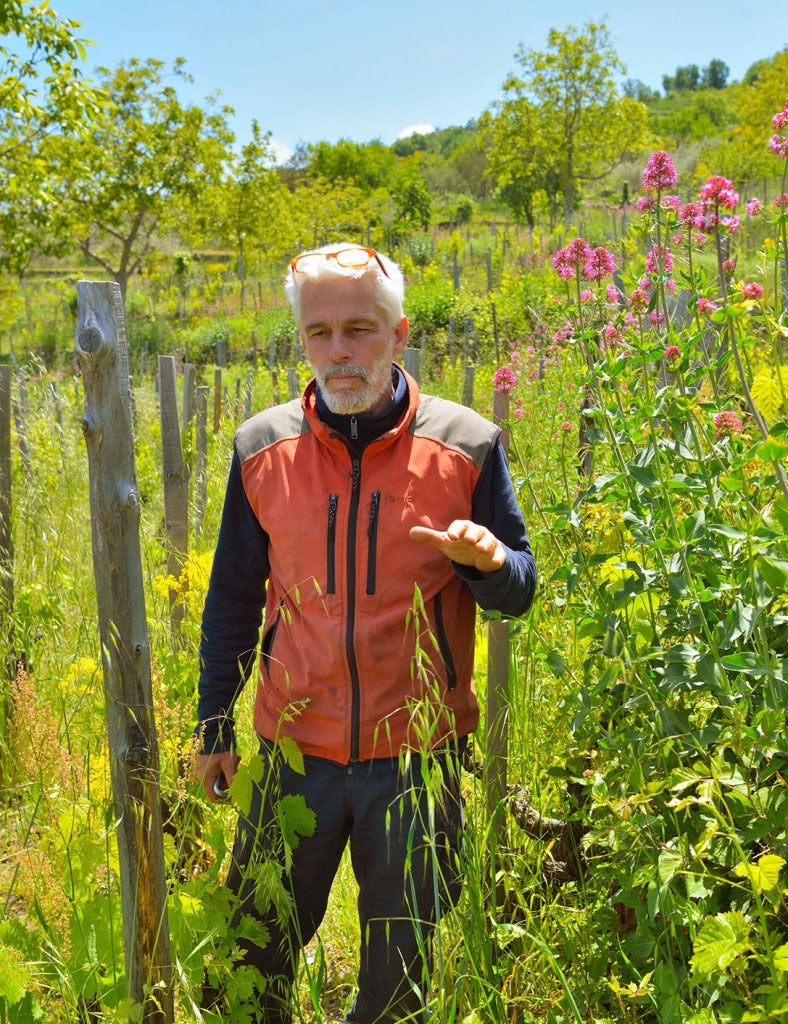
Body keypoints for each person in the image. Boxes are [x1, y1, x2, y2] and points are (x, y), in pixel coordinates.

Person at [194, 243, 536, 1023]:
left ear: (400, 333)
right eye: (319, 333)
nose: (339, 352)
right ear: (301, 339)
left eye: (360, 329)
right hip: (291, 754)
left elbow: (519, 592)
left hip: (419, 763)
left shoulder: (468, 443)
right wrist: (214, 723)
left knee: (399, 988)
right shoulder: (260, 449)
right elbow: (232, 600)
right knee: (252, 961)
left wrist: (489, 566)